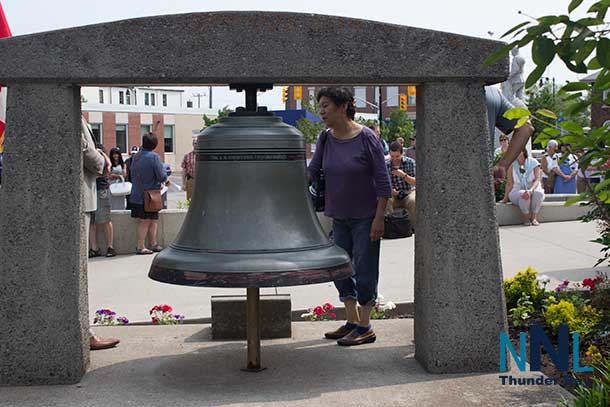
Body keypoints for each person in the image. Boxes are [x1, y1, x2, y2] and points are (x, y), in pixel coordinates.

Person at [308, 87, 391, 346]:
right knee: (340, 270)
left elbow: (383, 182)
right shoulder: (325, 138)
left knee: (365, 270)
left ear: (343, 106)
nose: (321, 111)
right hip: (339, 216)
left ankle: (365, 326)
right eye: (319, 106)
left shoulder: (366, 137)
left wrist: (379, 218)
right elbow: (312, 171)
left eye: (326, 106)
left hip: (366, 217)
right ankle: (352, 321)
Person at [81, 117, 120, 350]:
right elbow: (84, 148)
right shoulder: (72, 113)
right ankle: (84, 334)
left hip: (83, 197)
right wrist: (102, 162)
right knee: (76, 271)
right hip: (81, 196)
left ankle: (85, 332)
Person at [129, 132, 168, 255]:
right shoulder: (154, 157)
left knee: (149, 220)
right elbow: (162, 176)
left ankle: (153, 244)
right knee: (147, 220)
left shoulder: (136, 157)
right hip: (150, 196)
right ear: (155, 144)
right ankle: (142, 246)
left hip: (136, 194)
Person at [501, 148, 545, 226]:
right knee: (523, 193)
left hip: (532, 186)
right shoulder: (512, 164)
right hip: (517, 188)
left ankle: (534, 217)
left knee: (539, 193)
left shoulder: (533, 162)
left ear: (524, 152)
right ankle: (526, 217)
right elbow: (510, 183)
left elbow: (537, 179)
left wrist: (531, 190)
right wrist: (505, 199)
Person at [89, 144, 116, 258]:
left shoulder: (99, 152)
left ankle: (110, 247)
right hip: (92, 189)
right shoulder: (94, 152)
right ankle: (95, 248)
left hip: (101, 190)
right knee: (92, 221)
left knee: (105, 219)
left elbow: (107, 168)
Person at [386, 141, 416, 226]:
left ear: (402, 154)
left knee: (413, 201)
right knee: (385, 199)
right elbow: (381, 183)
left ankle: (413, 227)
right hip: (393, 194)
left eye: (397, 156)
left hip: (408, 192)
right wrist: (390, 190)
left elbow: (415, 183)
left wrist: (404, 175)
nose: (394, 159)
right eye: (392, 156)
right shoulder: (386, 165)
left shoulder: (410, 162)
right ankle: (391, 226)